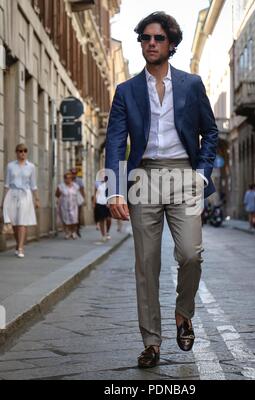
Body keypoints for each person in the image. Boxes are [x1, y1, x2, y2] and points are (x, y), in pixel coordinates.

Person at [105, 12, 218, 368]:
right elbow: (115, 141)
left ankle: (183, 313)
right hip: (144, 177)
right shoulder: (125, 91)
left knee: (190, 254)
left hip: (184, 174)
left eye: (157, 38)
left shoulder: (192, 84)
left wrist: (201, 174)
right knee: (147, 264)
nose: (150, 43)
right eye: (144, 38)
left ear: (171, 44)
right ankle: (151, 342)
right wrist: (114, 190)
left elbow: (210, 132)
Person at [1, 144, 40, 258]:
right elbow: (7, 184)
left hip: (25, 195)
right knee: (13, 222)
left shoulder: (31, 166)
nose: (22, 153)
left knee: (22, 222)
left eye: (25, 151)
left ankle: (21, 248)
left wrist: (37, 199)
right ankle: (18, 244)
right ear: (16, 152)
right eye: (20, 151)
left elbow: (33, 185)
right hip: (12, 194)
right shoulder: (10, 166)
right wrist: (3, 201)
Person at [56, 172, 81, 240]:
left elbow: (79, 195)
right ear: (64, 179)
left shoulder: (75, 186)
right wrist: (59, 194)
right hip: (64, 205)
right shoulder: (61, 186)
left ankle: (73, 232)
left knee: (74, 219)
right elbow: (57, 195)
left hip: (74, 205)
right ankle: (67, 232)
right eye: (66, 178)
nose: (68, 179)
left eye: (70, 178)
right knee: (65, 219)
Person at [93, 170, 112, 243]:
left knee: (108, 219)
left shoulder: (109, 184)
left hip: (107, 204)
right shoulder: (97, 183)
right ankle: (103, 235)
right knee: (101, 220)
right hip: (100, 203)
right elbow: (95, 193)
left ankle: (107, 232)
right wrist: (94, 202)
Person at [70, 167, 86, 238]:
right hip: (69, 200)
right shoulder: (68, 179)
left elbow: (82, 190)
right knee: (70, 215)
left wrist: (83, 200)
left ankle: (77, 230)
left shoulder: (79, 180)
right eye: (72, 173)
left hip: (77, 200)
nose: (73, 175)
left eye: (75, 173)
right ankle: (71, 230)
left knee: (78, 216)